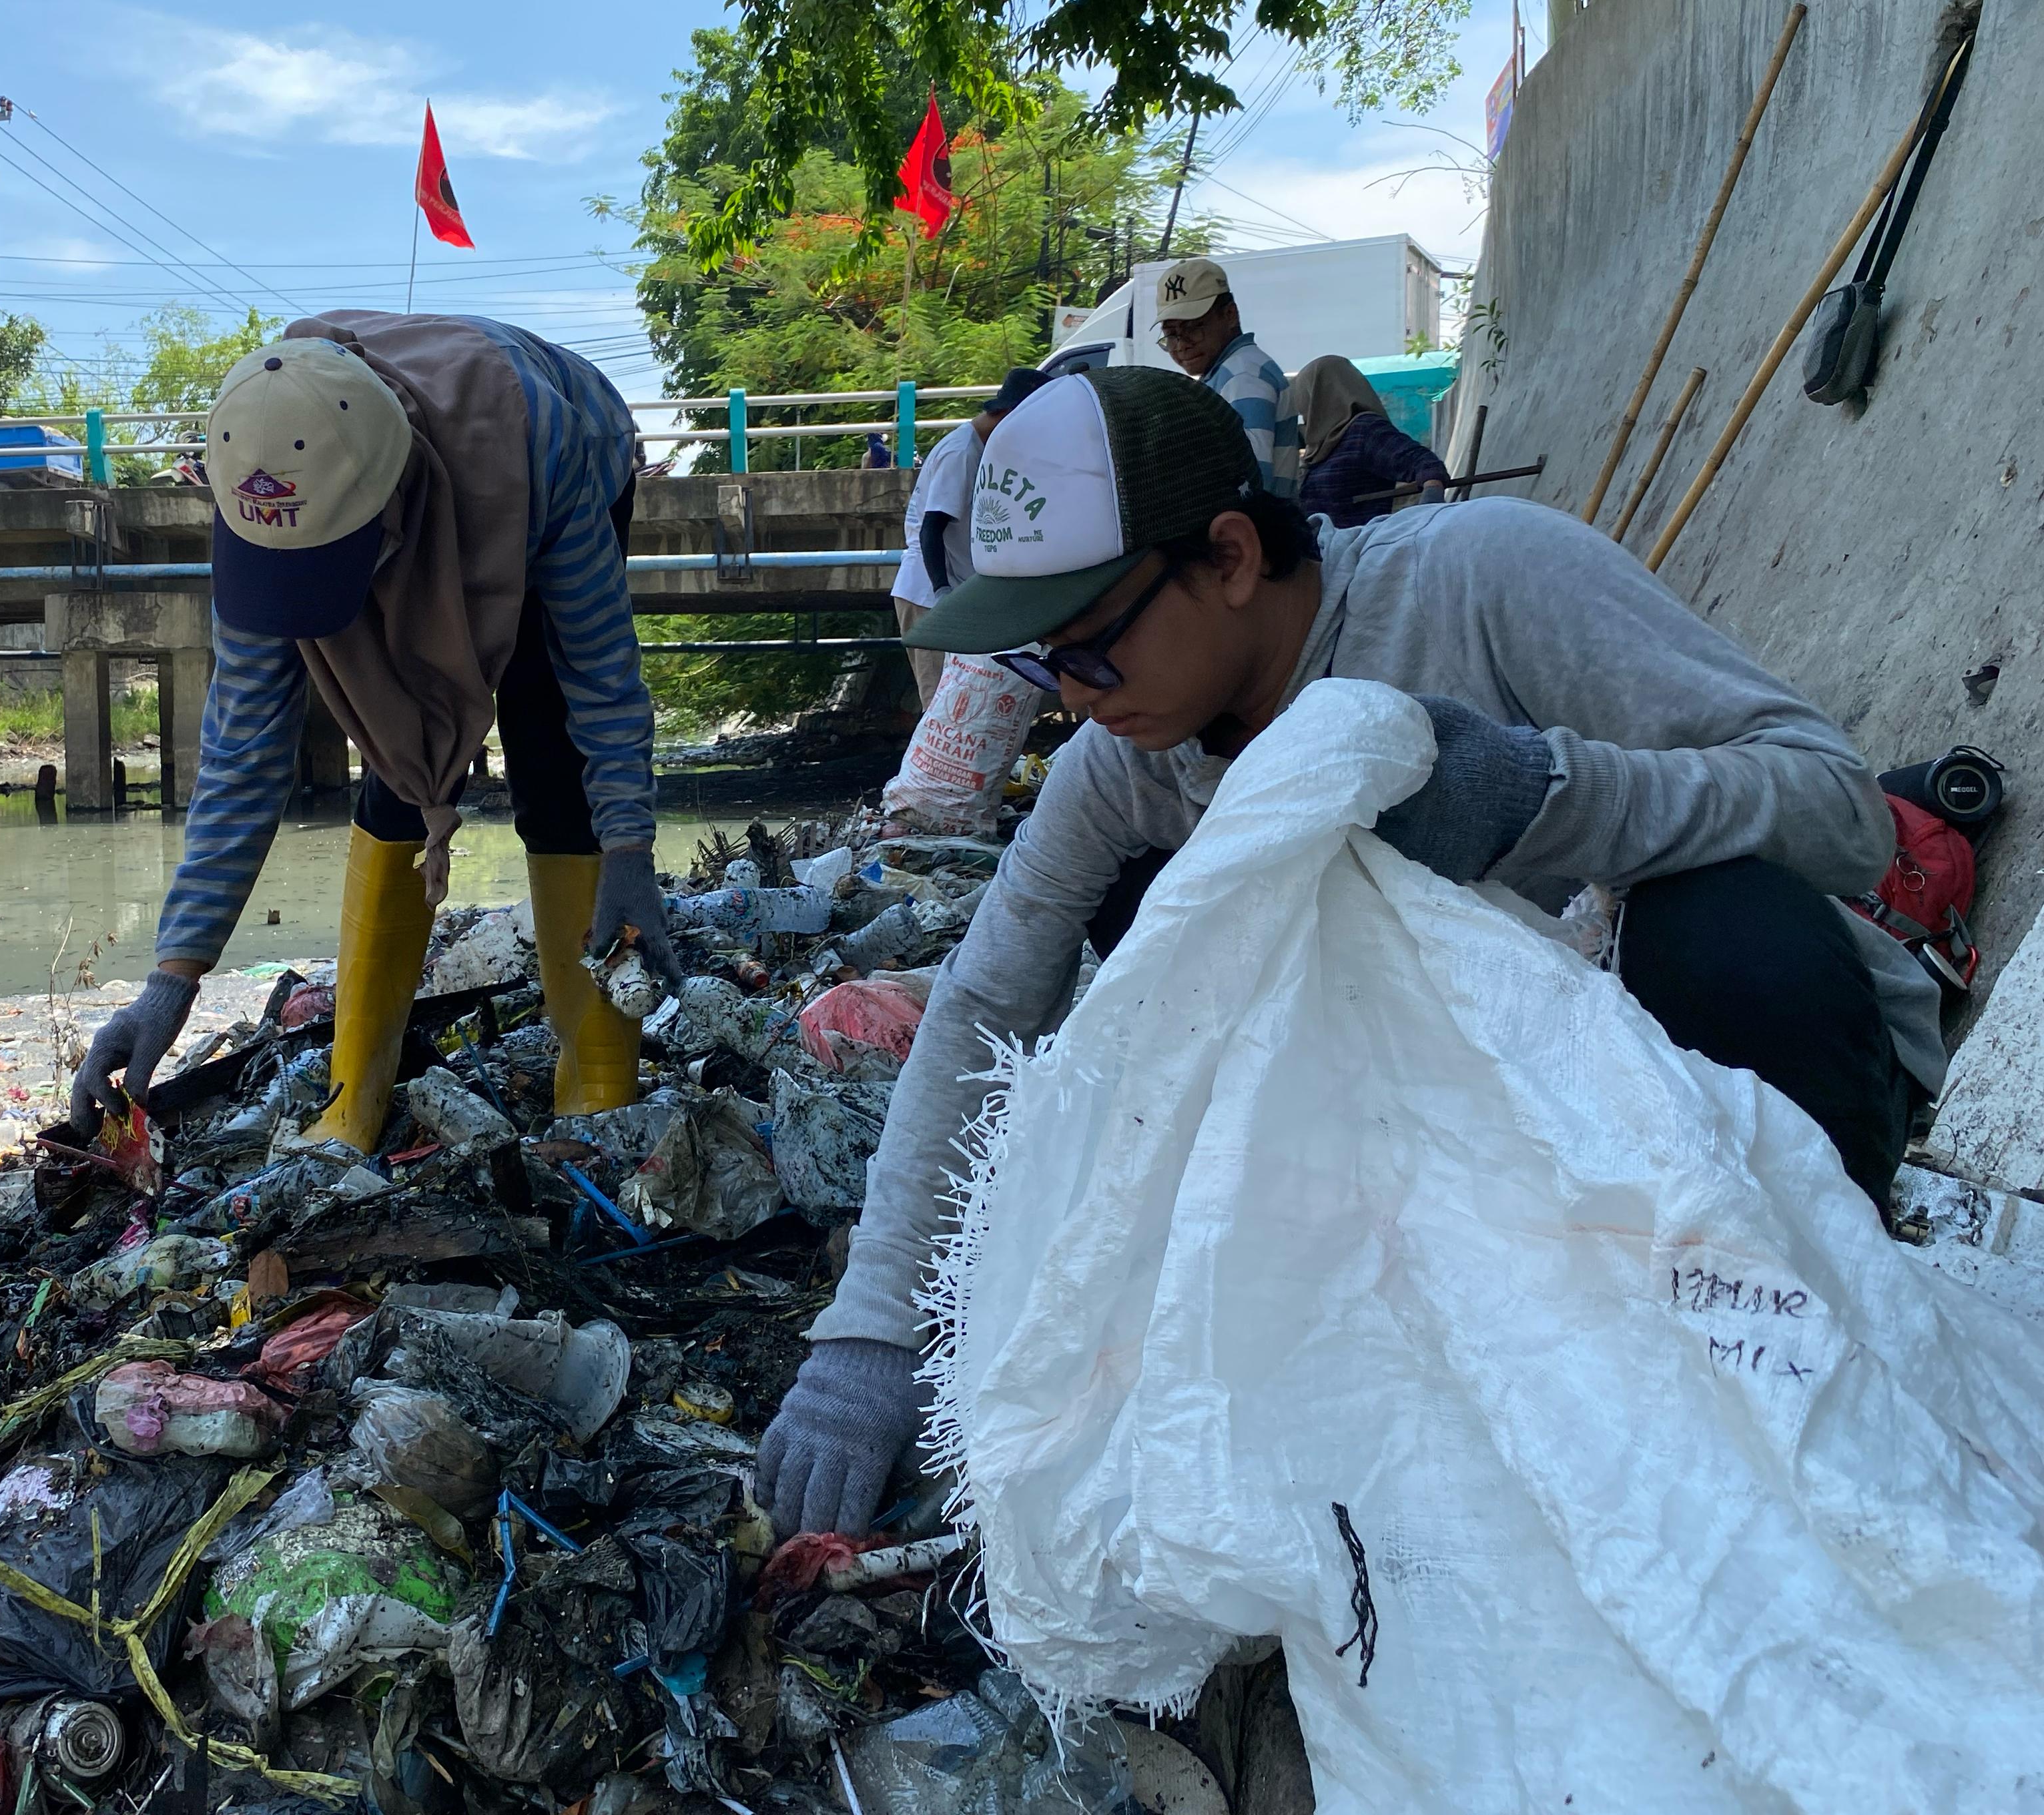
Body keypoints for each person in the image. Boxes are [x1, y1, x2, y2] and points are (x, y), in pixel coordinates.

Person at [757, 365, 1940, 1542]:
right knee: (1147, 962)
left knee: (1728, 932)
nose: (1071, 695)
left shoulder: (1479, 577)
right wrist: (869, 1333)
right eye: (1039, 662)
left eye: (1091, 645)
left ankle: (1804, 1322)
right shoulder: (1126, 767)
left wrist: (1539, 791)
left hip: (1716, 1099)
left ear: (1227, 557)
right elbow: (980, 1012)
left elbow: (1839, 810)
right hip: (1486, 1172)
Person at [70, 312, 676, 1150]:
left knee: (552, 741)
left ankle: (598, 1082)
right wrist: (173, 980)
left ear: (390, 508)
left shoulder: (546, 447)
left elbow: (601, 679)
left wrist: (630, 852)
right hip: (387, 491)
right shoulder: (263, 471)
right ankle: (356, 1090)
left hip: (541, 465)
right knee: (399, 744)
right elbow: (245, 748)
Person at [889, 367, 1046, 705]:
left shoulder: (983, 449)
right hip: (927, 595)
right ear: (1008, 414)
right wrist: (942, 591)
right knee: (939, 705)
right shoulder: (961, 452)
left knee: (967, 699)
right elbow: (932, 527)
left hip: (956, 593)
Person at [1151, 257, 1298, 495]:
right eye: (1172, 334)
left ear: (1230, 315)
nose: (1181, 345)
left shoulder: (1243, 376)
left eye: (1193, 329)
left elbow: (1250, 481)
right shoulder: (1228, 371)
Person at [1288, 354, 1449, 523]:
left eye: (1305, 398)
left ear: (1319, 396)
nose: (1303, 411)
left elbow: (1428, 465)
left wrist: (1428, 513)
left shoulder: (1365, 432)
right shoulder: (1321, 444)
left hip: (1360, 545)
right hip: (1325, 548)